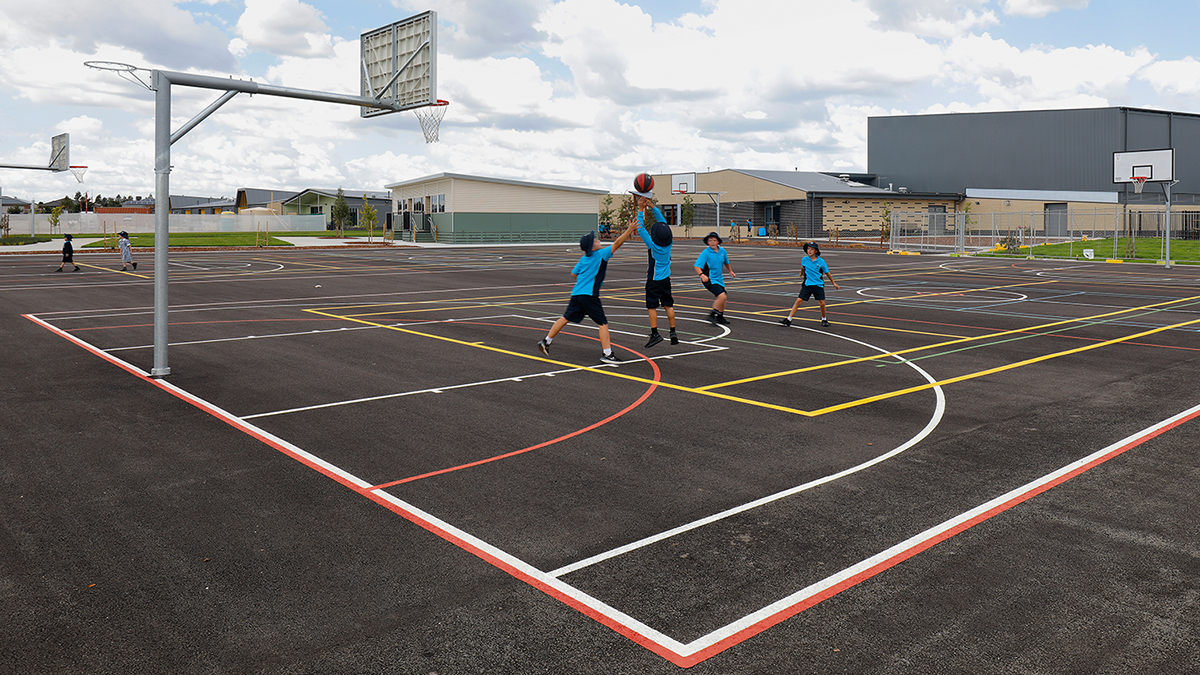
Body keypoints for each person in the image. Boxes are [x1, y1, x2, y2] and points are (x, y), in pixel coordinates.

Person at [537, 223, 636, 363]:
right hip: (589, 295)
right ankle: (607, 354)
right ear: (592, 247)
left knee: (565, 318)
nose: (598, 240)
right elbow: (618, 242)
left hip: (577, 294)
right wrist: (629, 230)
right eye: (595, 240)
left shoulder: (583, 259)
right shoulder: (601, 254)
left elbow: (573, 274)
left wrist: (583, 280)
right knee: (603, 324)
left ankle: (546, 341)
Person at [633, 190, 677, 348]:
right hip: (666, 280)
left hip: (654, 280)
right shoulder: (669, 243)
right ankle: (673, 332)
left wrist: (640, 209)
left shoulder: (652, 245)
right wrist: (652, 207)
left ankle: (655, 333)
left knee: (652, 306)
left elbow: (640, 228)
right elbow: (663, 223)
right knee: (668, 305)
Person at [780, 242, 840, 328]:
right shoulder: (804, 259)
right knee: (798, 301)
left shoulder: (821, 261)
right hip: (807, 284)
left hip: (818, 285)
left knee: (822, 303)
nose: (809, 251)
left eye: (812, 249)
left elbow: (827, 273)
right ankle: (789, 319)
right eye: (808, 249)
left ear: (816, 251)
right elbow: (803, 267)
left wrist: (834, 283)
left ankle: (824, 319)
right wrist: (801, 273)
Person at [694, 231, 735, 326]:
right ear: (707, 242)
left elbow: (726, 262)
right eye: (710, 240)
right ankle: (712, 315)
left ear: (718, 242)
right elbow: (697, 265)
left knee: (723, 297)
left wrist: (730, 271)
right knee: (722, 296)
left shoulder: (722, 251)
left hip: (719, 279)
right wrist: (702, 275)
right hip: (709, 279)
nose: (712, 242)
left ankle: (720, 317)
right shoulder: (706, 253)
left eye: (714, 240)